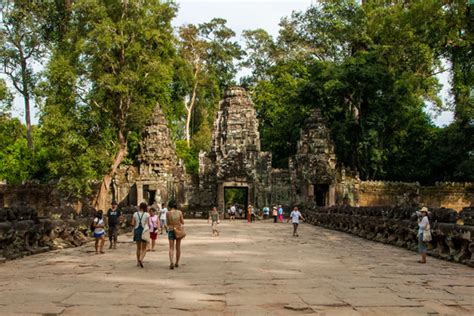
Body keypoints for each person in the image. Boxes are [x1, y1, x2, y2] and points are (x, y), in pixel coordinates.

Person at [166, 200, 184, 270]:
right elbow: (182, 222)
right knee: (178, 248)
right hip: (178, 230)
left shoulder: (168, 213)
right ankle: (176, 262)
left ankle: (171, 262)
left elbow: (167, 223)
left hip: (171, 230)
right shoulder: (179, 212)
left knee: (171, 248)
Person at [131, 202, 150, 268]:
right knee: (144, 248)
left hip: (137, 230)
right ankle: (141, 259)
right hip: (144, 231)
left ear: (140, 207)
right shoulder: (147, 214)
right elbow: (148, 224)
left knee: (138, 248)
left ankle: (137, 262)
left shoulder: (135, 214)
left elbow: (132, 223)